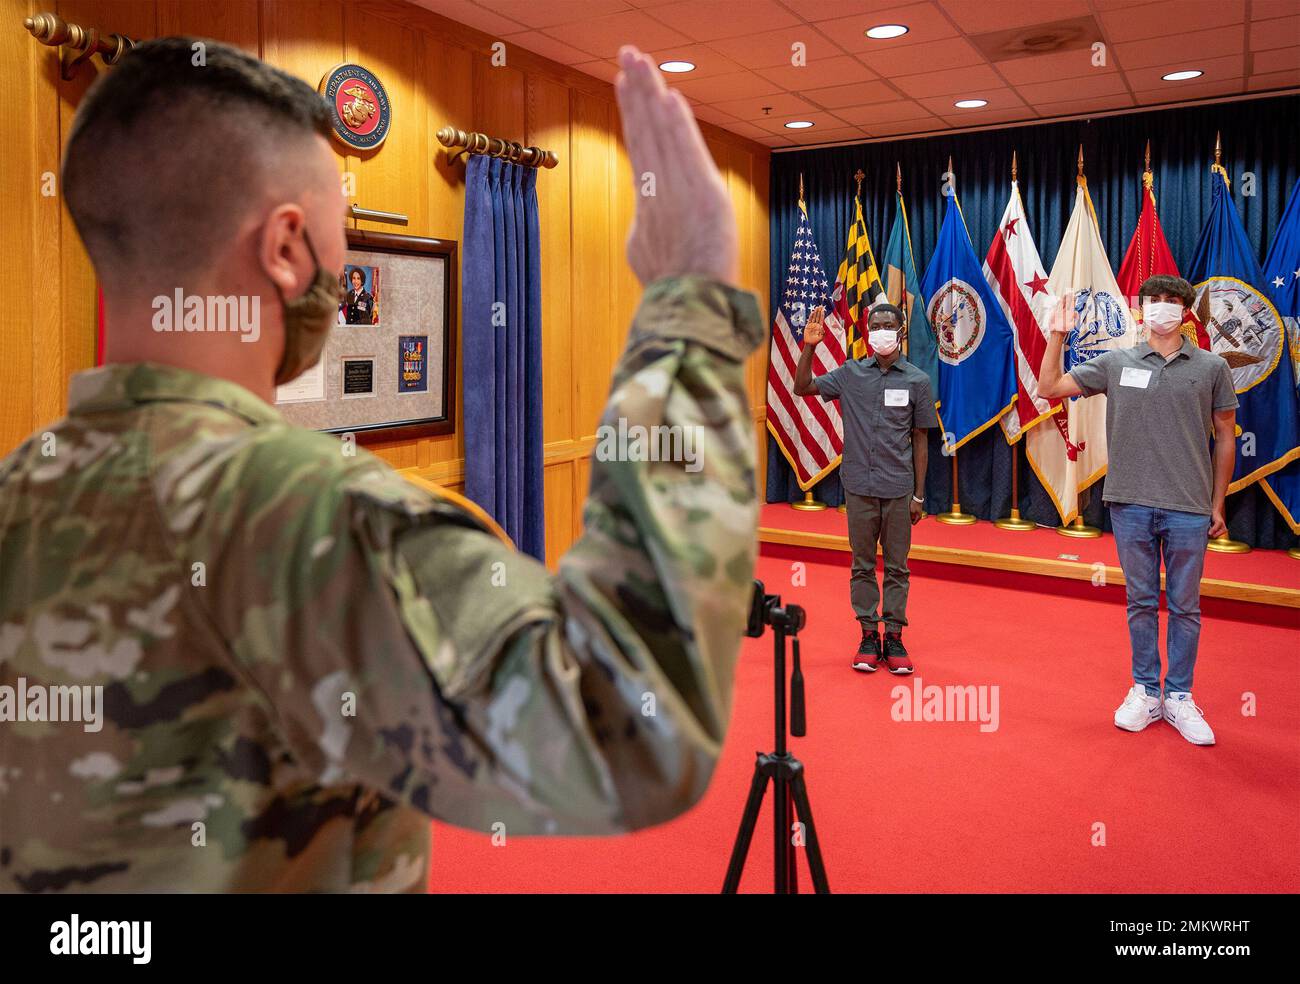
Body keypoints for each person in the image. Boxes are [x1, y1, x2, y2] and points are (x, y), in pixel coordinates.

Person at [0, 39, 762, 892]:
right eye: (340, 234)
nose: (346, 262)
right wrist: (691, 298)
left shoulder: (17, 492)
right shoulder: (311, 515)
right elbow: (631, 724)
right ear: (288, 247)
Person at [1036, 275, 1237, 746]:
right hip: (1129, 502)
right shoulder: (1115, 361)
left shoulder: (1211, 367)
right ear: (1140, 308)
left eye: (1172, 302)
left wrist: (1218, 502)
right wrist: (1058, 335)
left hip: (1189, 506)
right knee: (1140, 602)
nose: (1161, 308)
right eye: (1154, 301)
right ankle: (1146, 691)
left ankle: (1180, 696)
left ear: (1186, 311)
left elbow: (1226, 434)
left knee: (1185, 607)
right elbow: (1048, 388)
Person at [794, 303, 937, 674]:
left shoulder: (917, 380)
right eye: (875, 325)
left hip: (899, 488)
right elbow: (802, 386)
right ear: (867, 330)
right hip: (858, 486)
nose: (882, 331)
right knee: (861, 565)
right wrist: (809, 347)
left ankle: (894, 636)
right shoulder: (850, 373)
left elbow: (921, 439)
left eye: (889, 325)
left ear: (901, 330)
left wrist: (920, 494)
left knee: (896, 567)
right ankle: (868, 635)